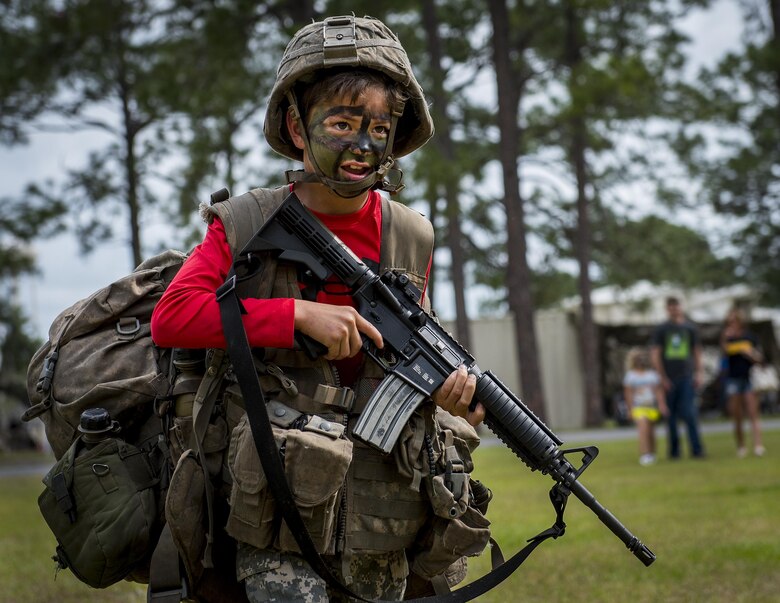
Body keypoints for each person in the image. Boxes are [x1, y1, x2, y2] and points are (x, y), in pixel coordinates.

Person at [151, 15, 486, 602]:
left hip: (382, 506)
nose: (362, 146)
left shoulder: (409, 236)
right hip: (280, 498)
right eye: (341, 123)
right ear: (296, 126)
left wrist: (447, 392)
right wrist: (295, 317)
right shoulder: (250, 222)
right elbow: (174, 317)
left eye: (379, 128)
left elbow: (402, 350)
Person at [651, 296, 706, 459]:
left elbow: (696, 351)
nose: (674, 310)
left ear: (681, 307)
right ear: (667, 309)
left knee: (689, 413)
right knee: (671, 416)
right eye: (671, 307)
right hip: (668, 377)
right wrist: (662, 376)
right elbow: (656, 353)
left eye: (677, 306)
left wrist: (699, 372)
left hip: (686, 376)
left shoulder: (690, 328)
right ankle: (674, 451)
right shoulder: (662, 329)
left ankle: (697, 450)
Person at [720, 308, 765, 457]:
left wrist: (750, 353)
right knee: (737, 415)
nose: (732, 324)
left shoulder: (750, 337)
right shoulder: (728, 338)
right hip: (733, 379)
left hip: (749, 378)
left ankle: (758, 445)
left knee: (753, 413)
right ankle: (741, 446)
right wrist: (725, 338)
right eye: (730, 322)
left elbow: (760, 359)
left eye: (735, 321)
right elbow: (723, 354)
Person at [623, 348, 668, 465]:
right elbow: (628, 393)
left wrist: (662, 405)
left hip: (651, 406)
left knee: (651, 432)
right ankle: (645, 454)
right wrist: (630, 409)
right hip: (639, 407)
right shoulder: (631, 376)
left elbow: (658, 391)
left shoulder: (652, 375)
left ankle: (652, 453)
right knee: (643, 429)